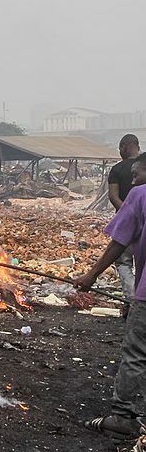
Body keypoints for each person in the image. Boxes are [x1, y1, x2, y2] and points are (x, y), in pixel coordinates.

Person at [73, 152, 146, 441]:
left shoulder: (140, 195)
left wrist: (91, 276)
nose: (133, 180)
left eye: (136, 174)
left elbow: (119, 241)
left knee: (136, 353)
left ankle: (122, 417)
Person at [108, 134, 141, 304]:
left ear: (124, 147)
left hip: (125, 226)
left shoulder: (117, 169)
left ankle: (132, 301)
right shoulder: (144, 166)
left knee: (123, 263)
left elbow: (113, 197)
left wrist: (128, 215)